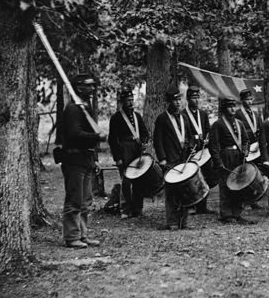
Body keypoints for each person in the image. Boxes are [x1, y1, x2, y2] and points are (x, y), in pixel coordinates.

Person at [61, 73, 106, 248]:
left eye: (94, 85)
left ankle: (83, 234)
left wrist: (94, 158)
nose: (93, 89)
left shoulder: (84, 107)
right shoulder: (73, 109)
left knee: (86, 200)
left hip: (85, 159)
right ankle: (72, 237)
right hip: (74, 159)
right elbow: (74, 134)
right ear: (79, 88)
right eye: (89, 86)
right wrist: (97, 136)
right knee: (74, 199)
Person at [208, 97, 255, 224]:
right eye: (229, 106)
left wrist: (245, 151)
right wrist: (218, 162)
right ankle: (226, 213)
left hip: (238, 156)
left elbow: (246, 140)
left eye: (234, 106)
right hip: (226, 155)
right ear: (224, 108)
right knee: (225, 184)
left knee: (239, 183)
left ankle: (237, 212)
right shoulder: (218, 124)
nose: (233, 109)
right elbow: (213, 145)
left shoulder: (239, 123)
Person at [153, 86, 193, 230]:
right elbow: (157, 140)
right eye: (174, 100)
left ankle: (184, 221)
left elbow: (189, 136)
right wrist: (162, 158)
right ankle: (172, 222)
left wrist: (191, 149)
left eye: (179, 100)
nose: (178, 103)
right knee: (171, 192)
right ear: (169, 102)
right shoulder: (162, 118)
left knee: (185, 190)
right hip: (170, 160)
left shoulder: (184, 117)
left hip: (184, 159)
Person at [108, 89, 150, 219]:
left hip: (137, 151)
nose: (131, 102)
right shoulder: (116, 118)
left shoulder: (137, 116)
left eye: (132, 100)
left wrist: (144, 142)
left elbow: (144, 133)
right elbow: (112, 140)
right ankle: (125, 209)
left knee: (140, 180)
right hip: (124, 151)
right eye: (128, 100)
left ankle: (138, 208)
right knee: (126, 180)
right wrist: (118, 157)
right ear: (122, 102)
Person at [183, 85, 217, 215]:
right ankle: (191, 205)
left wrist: (208, 139)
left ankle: (203, 206)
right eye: (193, 98)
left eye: (198, 97)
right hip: (190, 151)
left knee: (205, 177)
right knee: (191, 178)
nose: (196, 100)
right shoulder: (183, 114)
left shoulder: (203, 114)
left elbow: (208, 131)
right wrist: (191, 144)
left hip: (203, 151)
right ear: (188, 99)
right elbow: (184, 134)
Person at [235, 88, 263, 209]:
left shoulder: (256, 114)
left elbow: (260, 128)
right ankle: (244, 200)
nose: (250, 102)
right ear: (242, 100)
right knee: (245, 174)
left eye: (251, 99)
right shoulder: (238, 114)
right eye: (247, 99)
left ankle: (253, 200)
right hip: (245, 147)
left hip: (255, 148)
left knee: (254, 173)